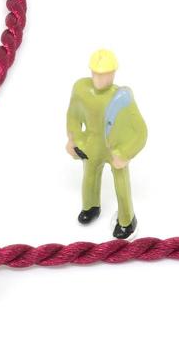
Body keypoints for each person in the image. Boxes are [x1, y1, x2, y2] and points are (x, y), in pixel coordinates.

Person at [64, 48, 148, 239]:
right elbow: (73, 115)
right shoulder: (81, 90)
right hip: (92, 143)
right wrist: (73, 138)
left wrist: (125, 153)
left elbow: (141, 131)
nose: (100, 79)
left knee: (121, 181)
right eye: (96, 74)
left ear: (113, 74)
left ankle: (127, 220)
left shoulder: (122, 99)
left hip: (115, 148)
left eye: (106, 75)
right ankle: (91, 206)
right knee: (89, 176)